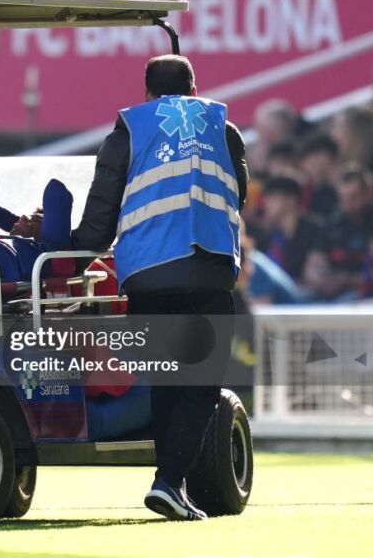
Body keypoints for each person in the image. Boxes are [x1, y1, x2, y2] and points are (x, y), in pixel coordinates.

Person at [69, 55, 248, 521]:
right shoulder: (224, 129)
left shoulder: (129, 131)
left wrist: (62, 251)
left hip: (147, 275)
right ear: (195, 90)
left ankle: (171, 484)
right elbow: (240, 193)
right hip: (208, 267)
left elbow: (98, 224)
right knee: (200, 384)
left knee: (166, 379)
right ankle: (169, 481)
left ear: (147, 94)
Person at [304, 164, 373, 300]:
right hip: (328, 292)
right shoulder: (332, 225)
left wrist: (348, 281)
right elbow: (313, 264)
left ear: (370, 192)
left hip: (370, 296)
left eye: (354, 197)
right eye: (343, 198)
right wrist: (322, 280)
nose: (348, 204)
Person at [251, 176, 324, 286]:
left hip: (307, 291)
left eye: (272, 197)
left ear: (291, 200)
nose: (266, 204)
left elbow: (316, 274)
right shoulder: (267, 233)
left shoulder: (314, 229)